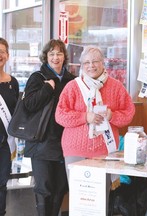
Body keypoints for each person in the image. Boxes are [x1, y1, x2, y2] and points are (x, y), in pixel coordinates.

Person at [55, 45, 135, 211]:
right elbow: (60, 115)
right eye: (86, 63)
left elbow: (128, 113)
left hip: (104, 150)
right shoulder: (73, 86)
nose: (91, 65)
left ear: (103, 63)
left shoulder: (116, 86)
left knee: (100, 200)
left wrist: (112, 115)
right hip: (75, 150)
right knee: (80, 199)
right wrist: (85, 117)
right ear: (82, 66)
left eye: (95, 61)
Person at [23, 39, 75, 216]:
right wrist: (47, 89)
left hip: (65, 142)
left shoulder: (72, 80)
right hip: (41, 142)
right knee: (44, 188)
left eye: (59, 53)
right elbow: (29, 105)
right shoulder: (38, 78)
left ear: (64, 56)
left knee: (61, 187)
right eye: (51, 53)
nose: (55, 57)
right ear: (45, 57)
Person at [0, 38, 19, 216]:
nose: (0, 55)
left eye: (2, 51)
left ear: (7, 55)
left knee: (1, 185)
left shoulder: (13, 82)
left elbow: (16, 113)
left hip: (5, 144)